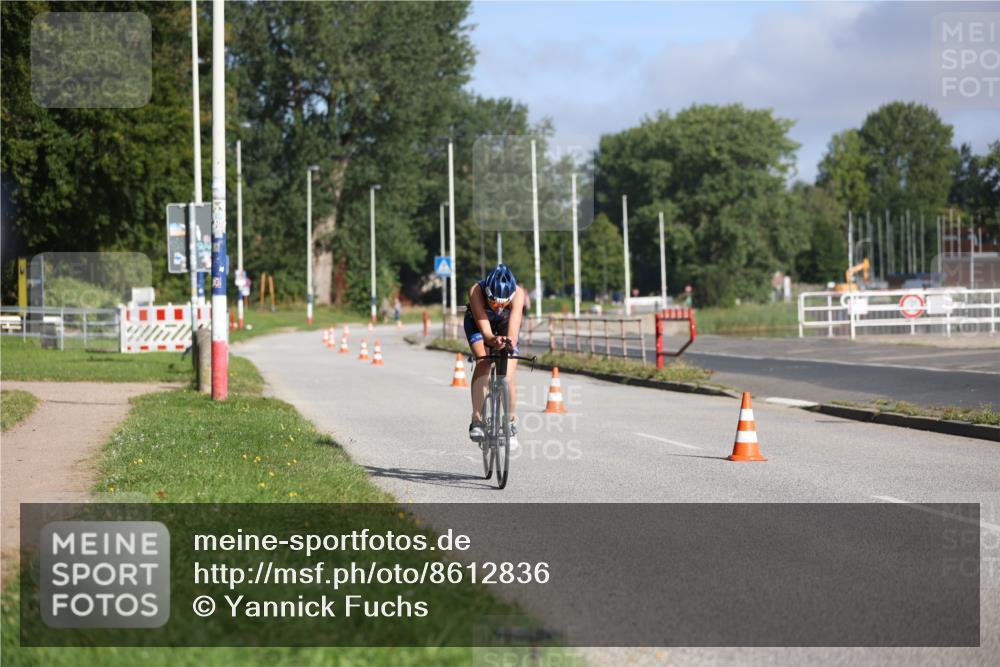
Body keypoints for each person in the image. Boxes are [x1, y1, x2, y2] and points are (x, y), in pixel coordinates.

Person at [464, 264, 524, 450]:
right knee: (484, 361)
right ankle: (477, 419)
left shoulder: (519, 294)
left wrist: (507, 343)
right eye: (494, 302)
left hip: (505, 324)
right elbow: (486, 334)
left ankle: (510, 422)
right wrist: (493, 340)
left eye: (503, 304)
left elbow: (513, 332)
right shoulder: (476, 291)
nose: (499, 307)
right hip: (478, 324)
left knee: (508, 375)